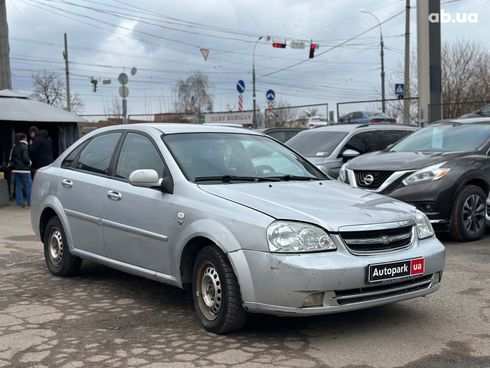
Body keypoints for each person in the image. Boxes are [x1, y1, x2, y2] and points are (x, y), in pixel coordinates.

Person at [11, 133, 32, 208]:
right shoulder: (24, 147)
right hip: (24, 169)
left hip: (15, 169)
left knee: (18, 186)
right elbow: (25, 158)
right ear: (23, 138)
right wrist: (30, 162)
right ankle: (30, 203)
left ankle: (19, 204)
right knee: (28, 185)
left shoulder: (14, 146)